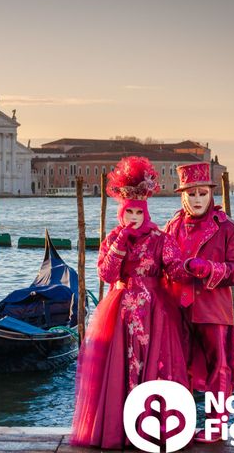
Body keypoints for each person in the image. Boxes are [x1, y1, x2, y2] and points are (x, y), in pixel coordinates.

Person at [71, 156, 193, 449]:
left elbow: (175, 270)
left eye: (139, 211)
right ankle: (118, 430)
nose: (135, 217)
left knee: (154, 365)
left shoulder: (160, 239)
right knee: (120, 368)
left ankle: (152, 430)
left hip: (154, 312)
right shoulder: (113, 238)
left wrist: (194, 267)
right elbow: (105, 273)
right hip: (121, 311)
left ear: (146, 211)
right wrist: (121, 243)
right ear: (122, 213)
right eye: (130, 212)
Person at [165, 162, 234, 443]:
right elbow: (166, 265)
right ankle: (181, 426)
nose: (197, 199)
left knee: (219, 368)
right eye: (192, 194)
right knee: (178, 368)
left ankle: (216, 428)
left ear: (211, 194)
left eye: (202, 193)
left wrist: (209, 268)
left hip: (213, 310)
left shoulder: (228, 229)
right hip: (178, 309)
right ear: (183, 196)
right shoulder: (172, 227)